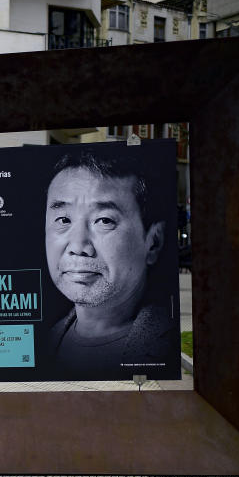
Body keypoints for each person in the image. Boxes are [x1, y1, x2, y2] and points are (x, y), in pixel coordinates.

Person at [44, 151, 175, 374]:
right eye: (64, 219)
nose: (78, 246)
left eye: (104, 220)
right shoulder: (45, 342)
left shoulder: (167, 348)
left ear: (153, 242)